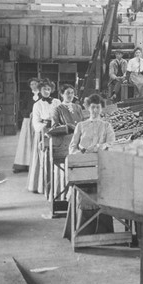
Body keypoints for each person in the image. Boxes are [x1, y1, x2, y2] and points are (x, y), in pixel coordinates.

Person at [68, 94, 116, 235]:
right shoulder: (81, 125)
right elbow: (72, 147)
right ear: (88, 108)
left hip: (101, 166)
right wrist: (81, 154)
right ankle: (84, 232)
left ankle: (104, 232)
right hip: (83, 166)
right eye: (92, 107)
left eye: (98, 107)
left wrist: (98, 148)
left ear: (102, 109)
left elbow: (111, 144)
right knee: (84, 196)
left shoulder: (107, 126)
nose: (95, 110)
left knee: (103, 196)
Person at [27, 79, 61, 193]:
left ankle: (55, 186)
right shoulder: (37, 104)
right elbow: (35, 122)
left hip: (56, 130)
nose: (46, 91)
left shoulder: (57, 102)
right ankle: (41, 186)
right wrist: (45, 127)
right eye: (44, 89)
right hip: (43, 132)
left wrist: (57, 125)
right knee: (42, 158)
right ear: (40, 90)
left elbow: (61, 115)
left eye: (48, 89)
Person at [13, 78, 40, 173]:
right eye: (32, 84)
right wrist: (28, 114)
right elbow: (22, 108)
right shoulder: (27, 95)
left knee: (37, 141)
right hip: (28, 120)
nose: (34, 85)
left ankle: (36, 164)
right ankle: (24, 164)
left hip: (38, 121)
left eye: (35, 83)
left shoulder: (42, 95)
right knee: (26, 141)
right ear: (30, 86)